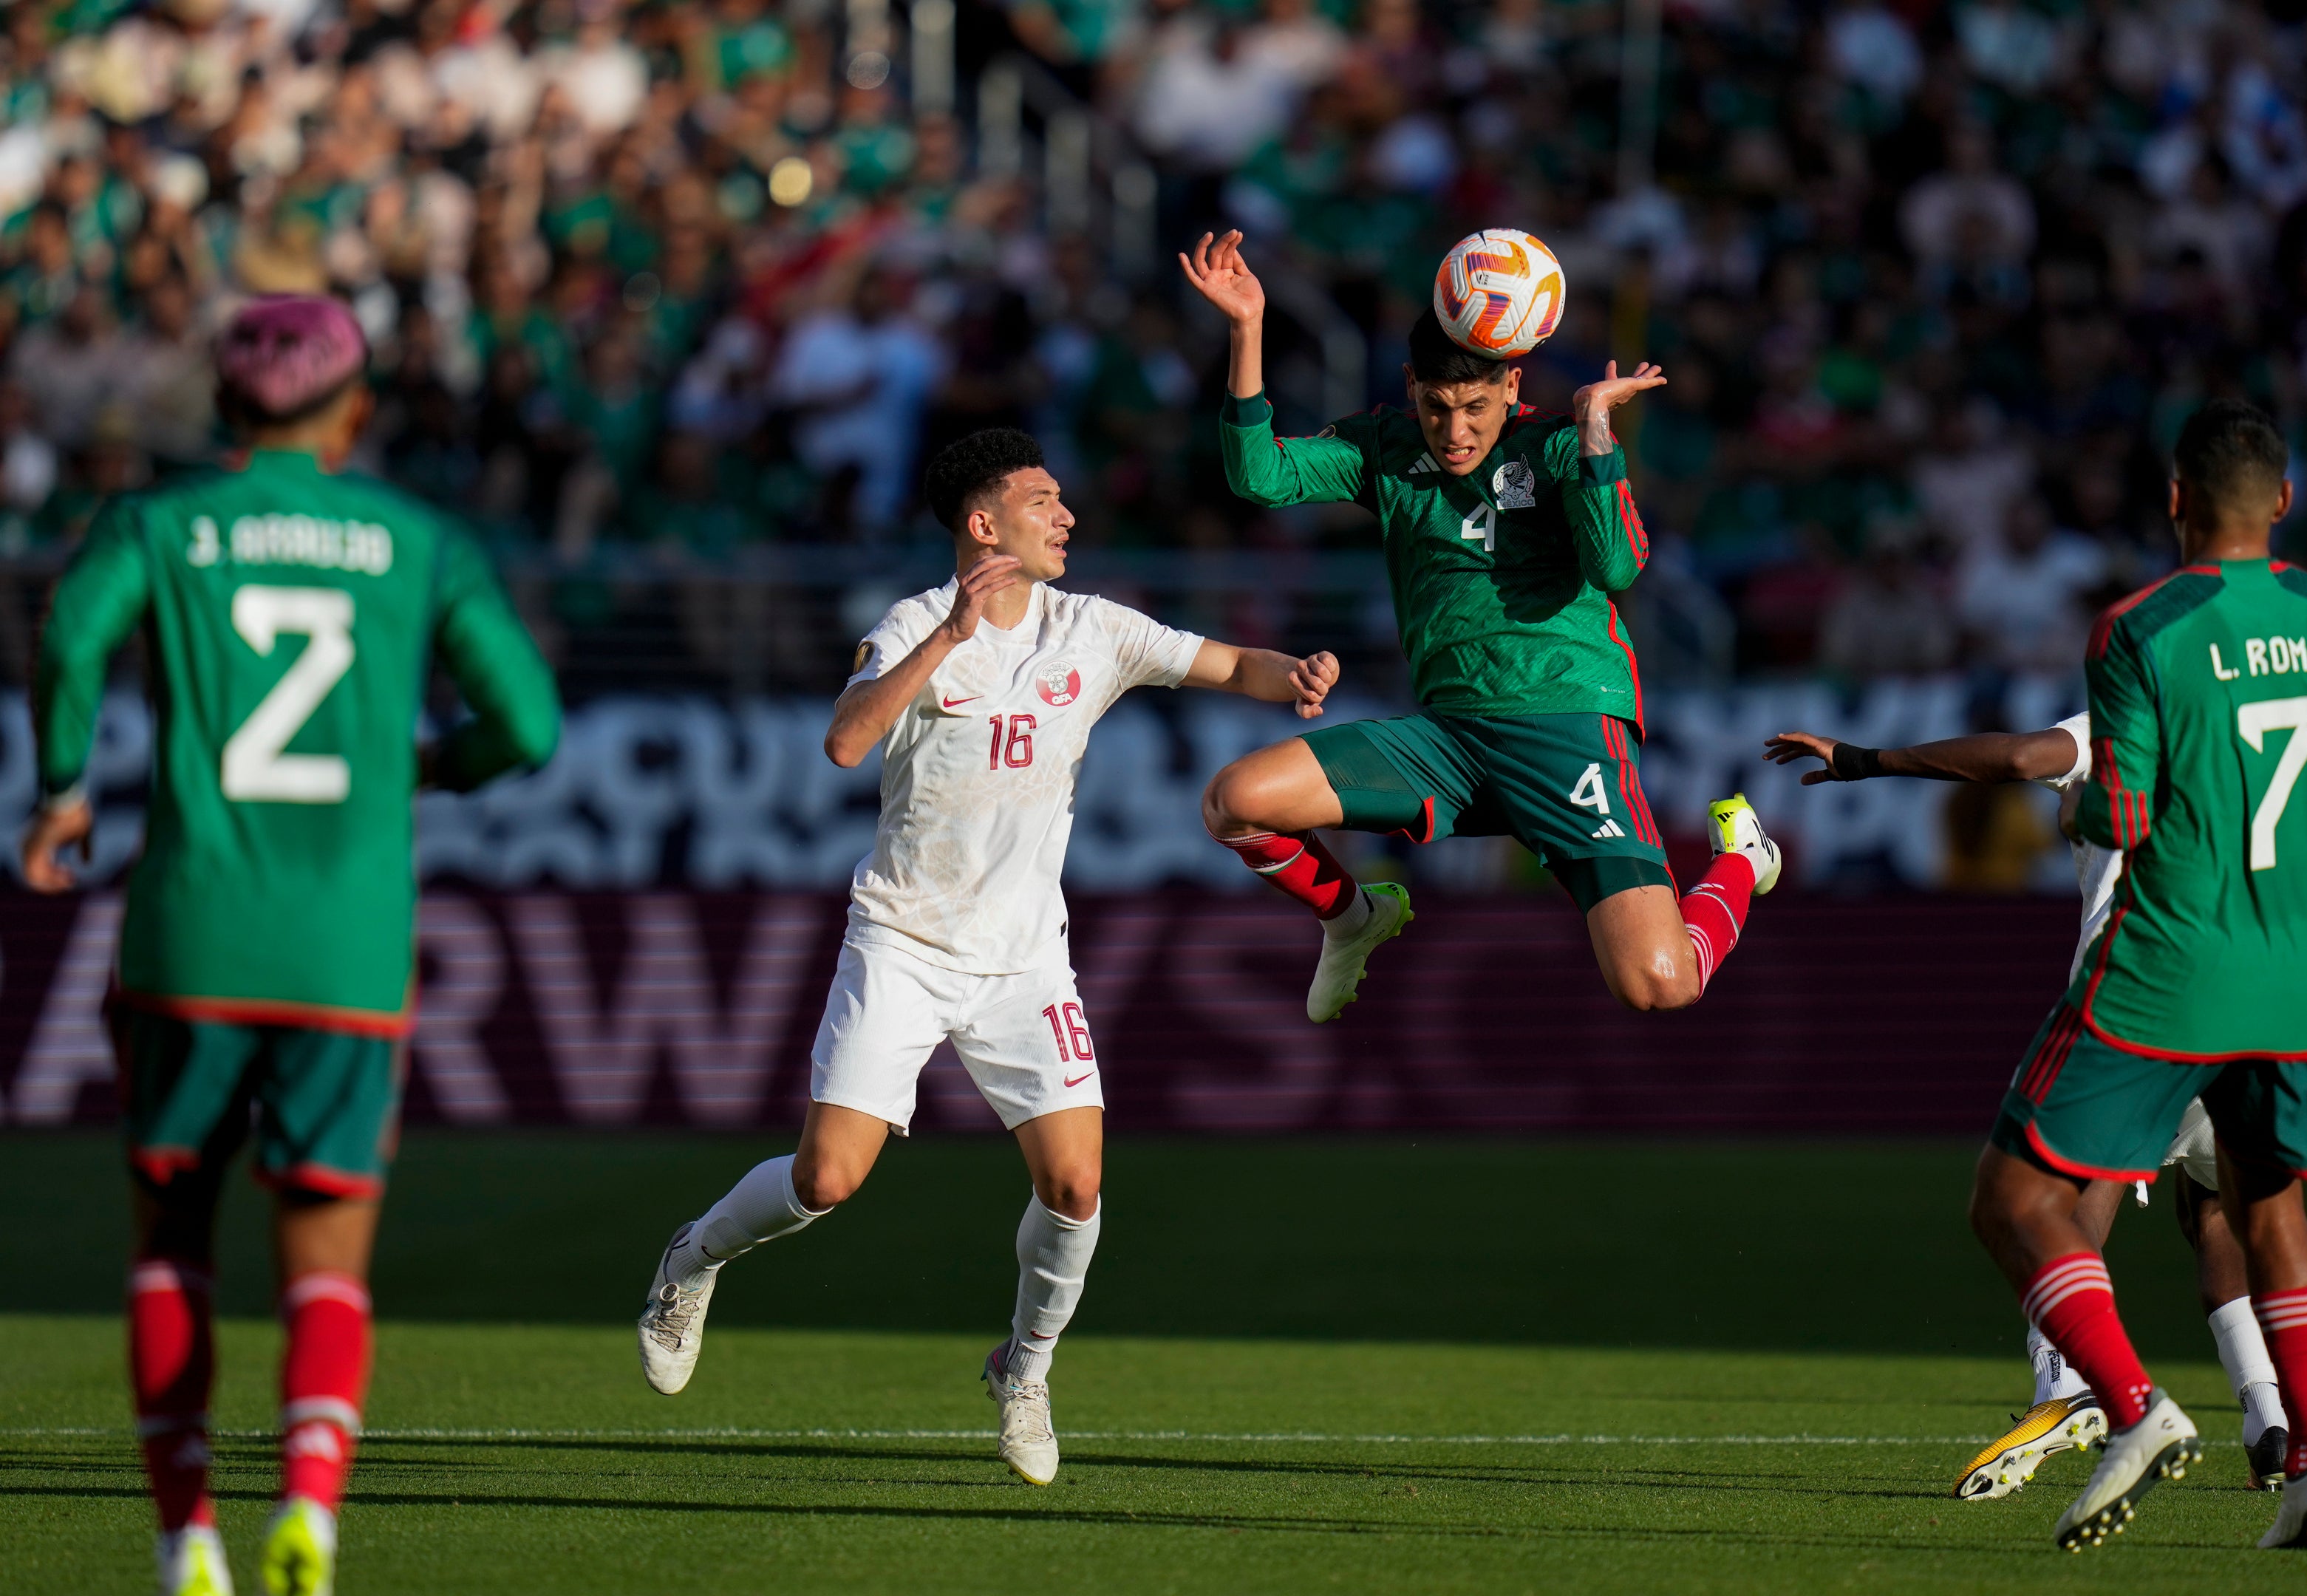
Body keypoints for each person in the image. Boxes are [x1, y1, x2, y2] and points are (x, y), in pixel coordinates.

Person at [636, 427, 1344, 1487]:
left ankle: (1025, 1369)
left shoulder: (1093, 628)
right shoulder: (914, 623)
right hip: (904, 939)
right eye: (1043, 499)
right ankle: (690, 1261)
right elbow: (844, 741)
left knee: (1076, 1182)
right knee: (826, 1179)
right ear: (984, 524)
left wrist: (1297, 676)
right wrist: (949, 638)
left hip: (1023, 960)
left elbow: (1233, 663)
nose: (1067, 516)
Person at [22, 295, 562, 1596]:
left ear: (221, 404)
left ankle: (185, 1541)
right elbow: (529, 725)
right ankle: (310, 1504)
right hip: (346, 951)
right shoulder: (415, 539)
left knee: (171, 1244)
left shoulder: (158, 523)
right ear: (354, 410)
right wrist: (432, 765)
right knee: (326, 1257)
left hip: (191, 935)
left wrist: (63, 790)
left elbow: (69, 637)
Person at [1946, 398, 2307, 1552]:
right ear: (2284, 500)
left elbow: (2123, 812)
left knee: (2016, 1198)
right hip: (2290, 972)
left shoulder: (2143, 628)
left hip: (2169, 965)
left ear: (2177, 498)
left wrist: (2081, 812)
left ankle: (2131, 1406)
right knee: (2270, 1210)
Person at [1177, 230, 1779, 1022]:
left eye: (1474, 409)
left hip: (1566, 728)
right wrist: (1247, 329)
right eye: (1436, 407)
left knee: (1659, 985)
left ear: (1511, 385)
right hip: (1449, 742)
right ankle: (1355, 918)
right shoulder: (1384, 448)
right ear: (1411, 388)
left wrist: (1596, 430)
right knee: (1235, 800)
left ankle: (1742, 860)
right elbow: (1259, 475)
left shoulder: (1557, 446)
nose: (1454, 431)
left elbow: (1617, 569)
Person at [1763, 712, 2307, 1496]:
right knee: (2223, 1211)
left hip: (2143, 1007)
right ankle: (2274, 1421)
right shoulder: (2265, 769)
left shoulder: (2134, 712)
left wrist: (1864, 758)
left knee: (2050, 1199)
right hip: (2265, 1027)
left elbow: (2017, 757)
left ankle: (2065, 1385)